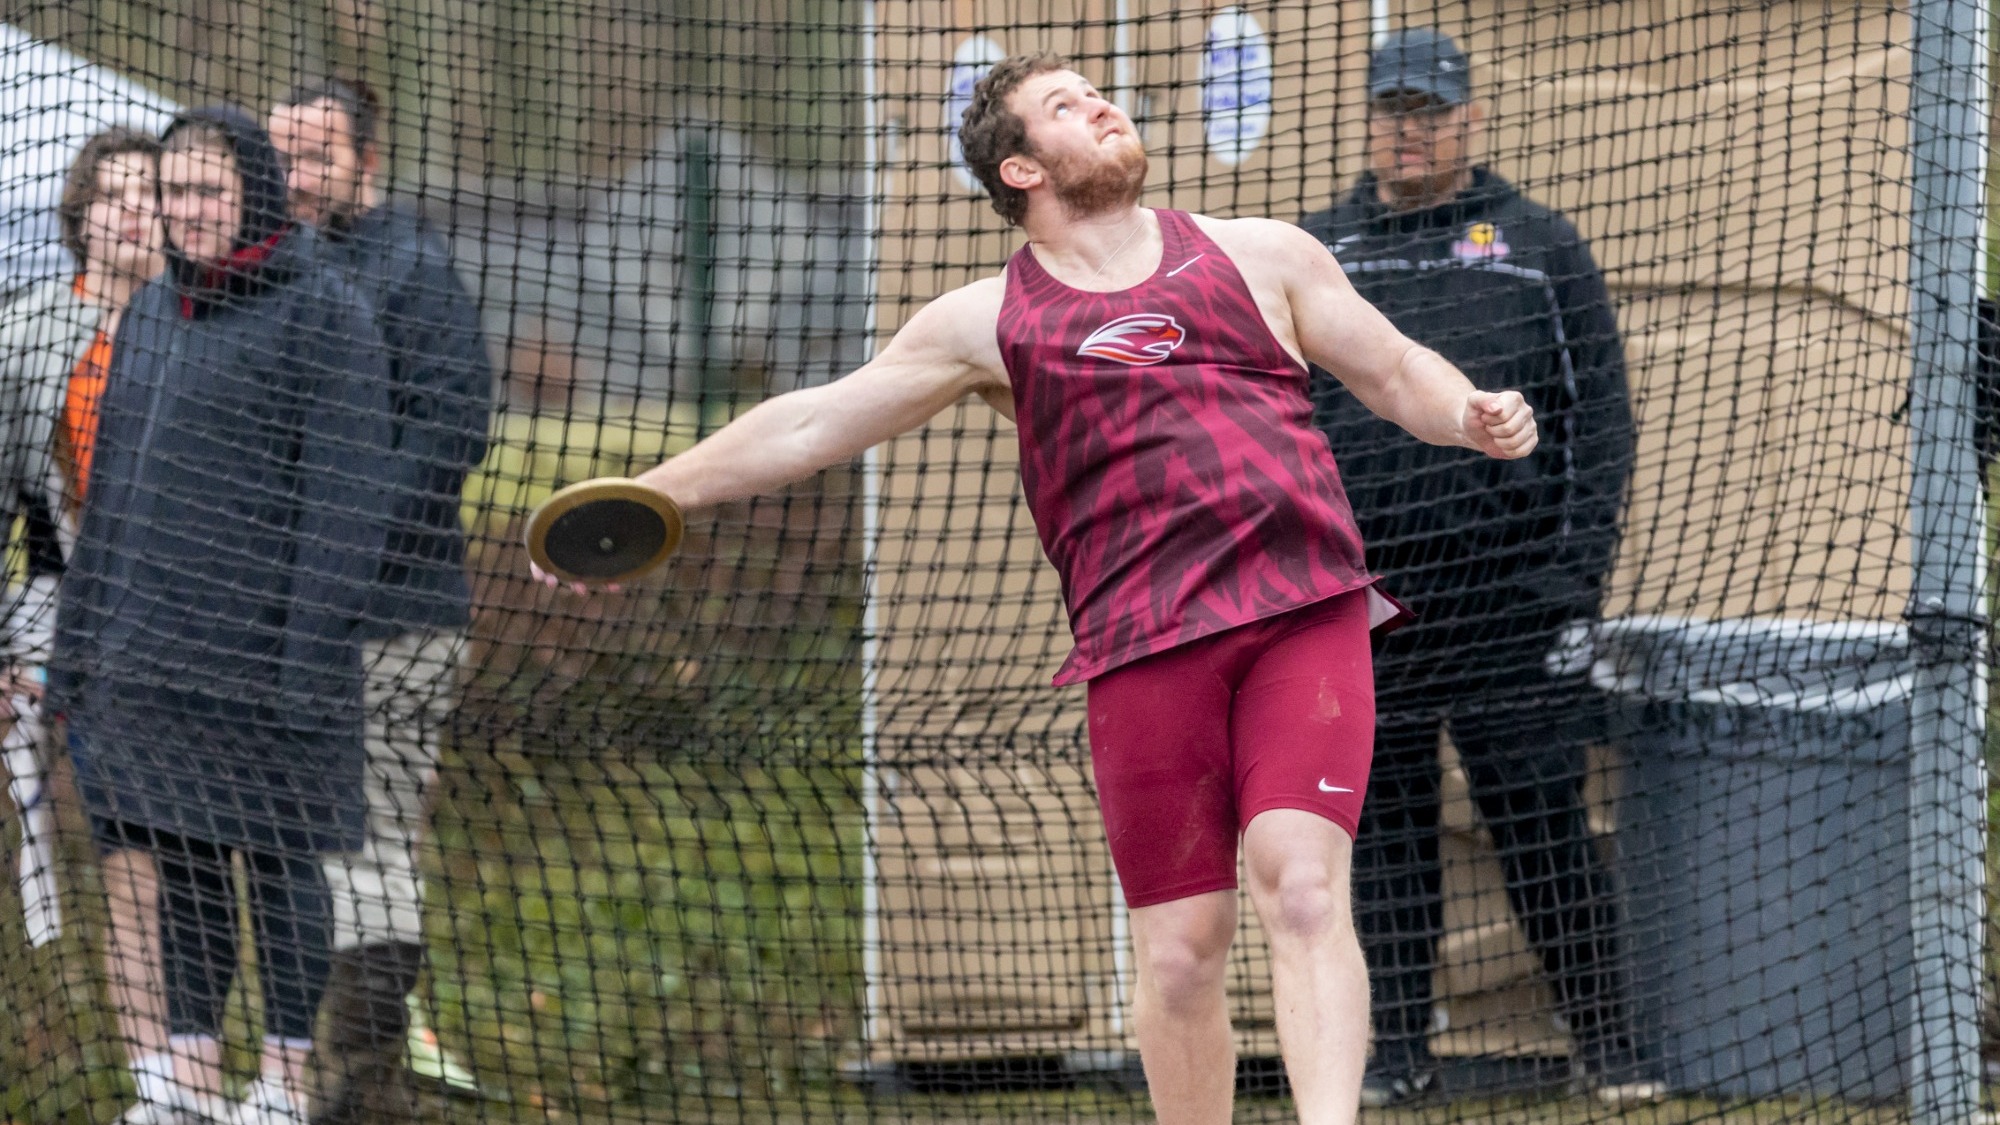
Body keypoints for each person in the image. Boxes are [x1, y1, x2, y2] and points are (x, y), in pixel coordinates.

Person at [538, 51, 1538, 1125]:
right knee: (1182, 960)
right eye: (1065, 105)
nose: (1101, 104)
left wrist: (1467, 408)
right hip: (1143, 647)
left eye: (1095, 93)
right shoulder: (983, 322)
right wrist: (649, 495)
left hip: (1304, 613)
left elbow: (1392, 369)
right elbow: (813, 420)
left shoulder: (1261, 257)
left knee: (1299, 885)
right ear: (1020, 169)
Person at [1296, 29, 1651, 1107]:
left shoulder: (1539, 247)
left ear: (1470, 119)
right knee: (1380, 838)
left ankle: (1611, 1052)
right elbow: (1269, 424)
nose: (1407, 129)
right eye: (1390, 108)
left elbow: (1601, 430)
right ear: (1365, 116)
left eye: (1429, 110)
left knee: (1542, 822)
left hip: (1511, 603)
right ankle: (1391, 1057)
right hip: (1362, 605)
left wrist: (1570, 584)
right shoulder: (1315, 253)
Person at [46, 106, 392, 1125]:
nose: (178, 212)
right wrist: (80, 655)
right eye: (165, 194)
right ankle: (188, 1078)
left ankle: (283, 1080)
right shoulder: (152, 313)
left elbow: (347, 509)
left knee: (280, 867)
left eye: (199, 191)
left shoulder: (326, 313)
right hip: (148, 661)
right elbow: (111, 503)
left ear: (253, 192)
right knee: (184, 868)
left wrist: (306, 659)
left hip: (275, 666)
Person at [267, 77, 492, 1120]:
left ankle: (364, 1085)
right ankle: (312, 1076)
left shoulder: (410, 266)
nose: (293, 178)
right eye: (280, 157)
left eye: (314, 156)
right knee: (297, 846)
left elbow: (453, 430)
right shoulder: (270, 272)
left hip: (393, 618)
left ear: (368, 160)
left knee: (368, 840)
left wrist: (339, 546)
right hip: (279, 629)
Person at [0, 126, 163, 954]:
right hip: (73, 602)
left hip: (197, 616)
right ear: (80, 214)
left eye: (151, 192)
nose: (134, 210)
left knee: (209, 847)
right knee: (124, 841)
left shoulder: (213, 325)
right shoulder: (27, 333)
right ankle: (153, 1064)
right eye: (113, 194)